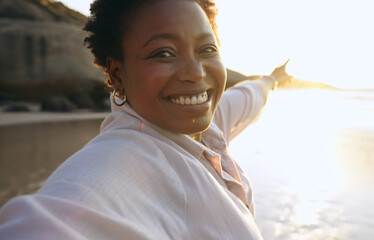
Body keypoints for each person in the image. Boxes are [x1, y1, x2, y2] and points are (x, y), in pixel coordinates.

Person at [0, 0, 292, 239]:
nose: (196, 72)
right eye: (164, 53)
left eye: (207, 49)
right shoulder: (123, 160)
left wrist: (271, 80)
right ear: (117, 74)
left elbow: (248, 97)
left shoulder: (208, 128)